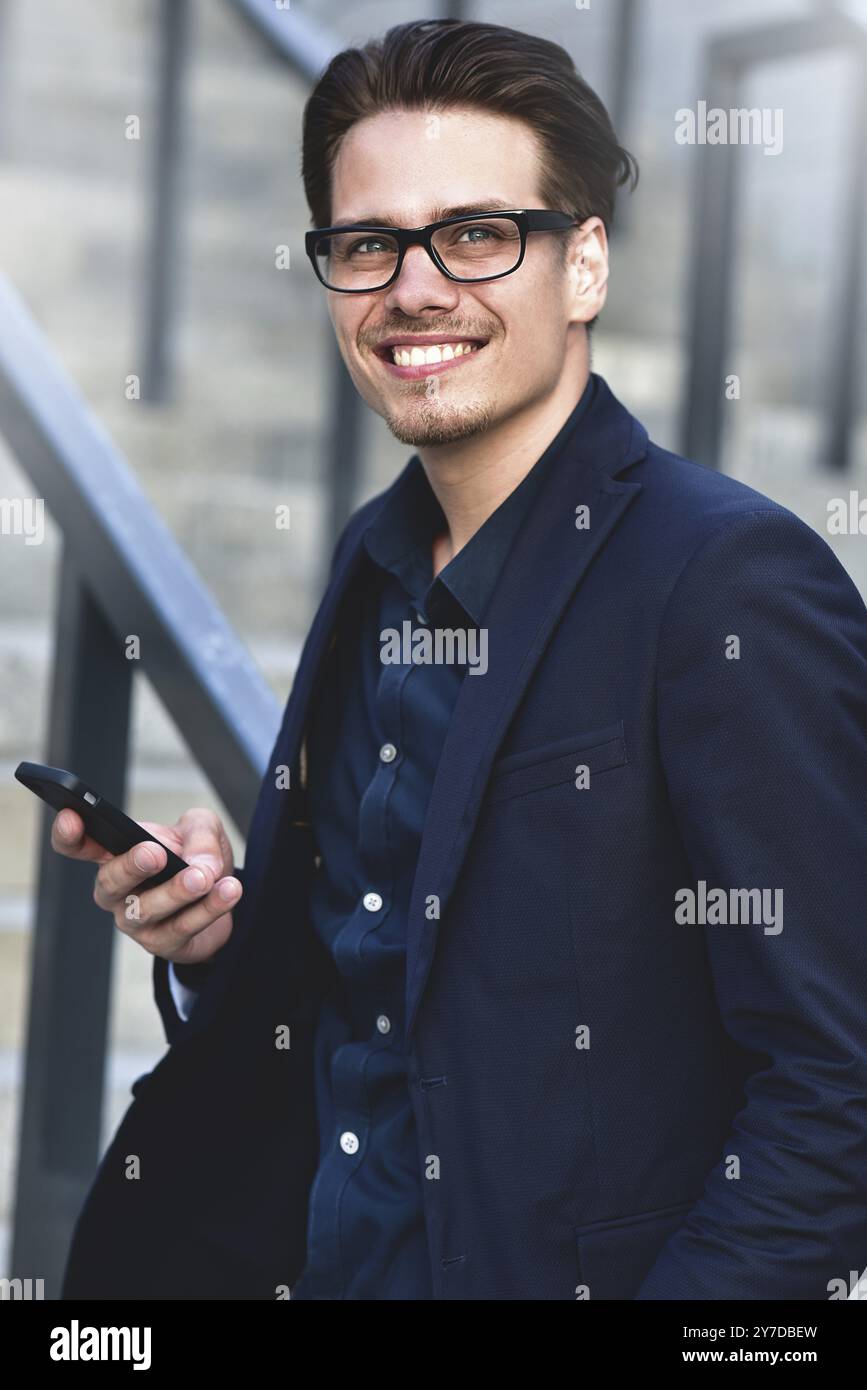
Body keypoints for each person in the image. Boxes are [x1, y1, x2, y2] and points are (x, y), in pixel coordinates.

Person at [57, 18, 867, 1300]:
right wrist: (223, 946)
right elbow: (395, 985)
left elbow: (840, 1086)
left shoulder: (725, 583)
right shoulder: (374, 566)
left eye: (478, 235)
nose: (414, 288)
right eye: (368, 244)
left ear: (585, 263)